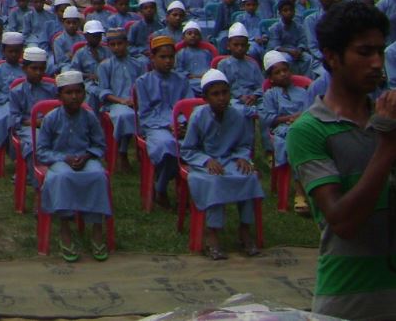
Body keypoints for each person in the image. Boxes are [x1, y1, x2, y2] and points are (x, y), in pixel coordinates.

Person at [288, 0, 396, 320]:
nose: (377, 63)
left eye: (380, 51)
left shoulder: (387, 116)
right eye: (364, 53)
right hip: (350, 300)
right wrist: (387, 146)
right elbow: (343, 221)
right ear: (332, 57)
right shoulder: (309, 131)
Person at [180, 68, 264, 260]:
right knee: (215, 181)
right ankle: (212, 233)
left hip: (230, 160)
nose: (221, 98)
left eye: (224, 93)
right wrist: (207, 160)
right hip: (203, 164)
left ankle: (244, 230)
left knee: (249, 177)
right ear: (206, 98)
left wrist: (243, 156)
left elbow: (243, 144)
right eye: (215, 94)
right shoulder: (198, 116)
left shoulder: (237, 115)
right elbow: (188, 150)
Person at [36, 70, 111, 262]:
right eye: (68, 93)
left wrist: (87, 156)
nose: (74, 97)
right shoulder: (51, 118)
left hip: (86, 159)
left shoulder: (89, 117)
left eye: (78, 92)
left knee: (97, 176)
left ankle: (96, 228)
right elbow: (42, 151)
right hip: (60, 161)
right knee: (62, 178)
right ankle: (65, 228)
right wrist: (64, 158)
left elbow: (100, 145)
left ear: (84, 94)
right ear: (59, 96)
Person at [134, 34, 191, 209]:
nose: (167, 61)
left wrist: (182, 124)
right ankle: (161, 188)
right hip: (154, 127)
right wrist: (168, 125)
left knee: (190, 144)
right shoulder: (143, 82)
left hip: (179, 127)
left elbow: (187, 107)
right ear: (152, 58)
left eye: (171, 57)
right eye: (163, 57)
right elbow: (145, 113)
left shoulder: (181, 80)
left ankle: (171, 186)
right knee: (167, 145)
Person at [259, 50, 313, 215]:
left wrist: (300, 118)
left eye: (285, 70)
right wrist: (289, 118)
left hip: (304, 126)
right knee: (293, 143)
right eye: (278, 72)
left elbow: (310, 110)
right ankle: (300, 191)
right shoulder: (270, 94)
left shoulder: (303, 92)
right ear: (271, 78)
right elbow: (268, 118)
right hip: (282, 130)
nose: (283, 74)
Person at [97, 27, 145, 170]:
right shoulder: (105, 66)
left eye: (120, 44)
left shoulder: (138, 64)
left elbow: (143, 86)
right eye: (113, 45)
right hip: (114, 104)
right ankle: (122, 151)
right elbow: (104, 91)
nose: (117, 47)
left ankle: (143, 152)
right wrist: (122, 101)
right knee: (125, 115)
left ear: (127, 43)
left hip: (136, 103)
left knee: (145, 116)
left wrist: (135, 101)